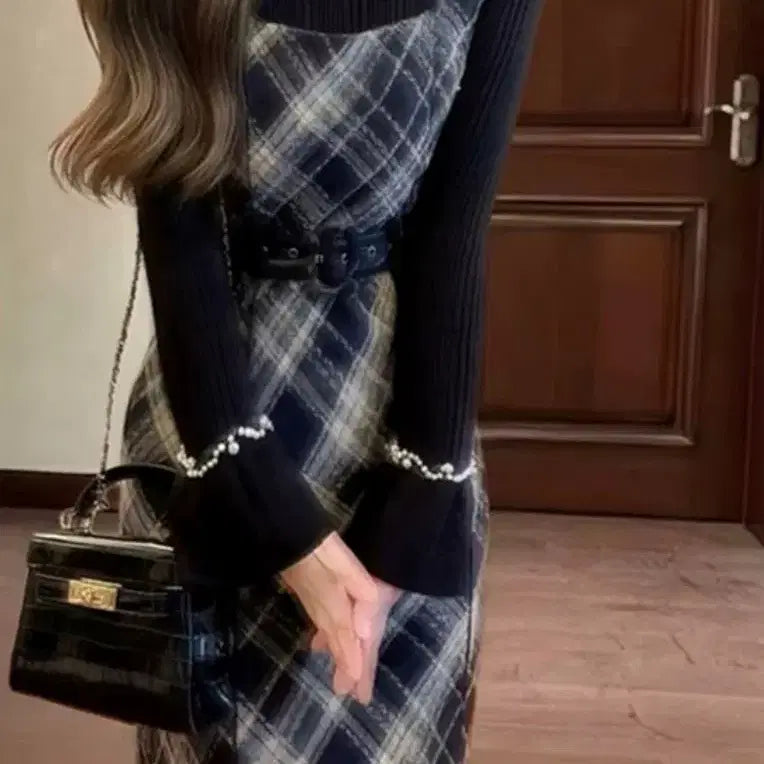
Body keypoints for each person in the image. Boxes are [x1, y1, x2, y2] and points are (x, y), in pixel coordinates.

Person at [52, 0, 542, 761]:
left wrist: (420, 505)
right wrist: (259, 503)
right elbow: (180, 240)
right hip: (214, 425)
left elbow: (454, 230)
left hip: (403, 429)